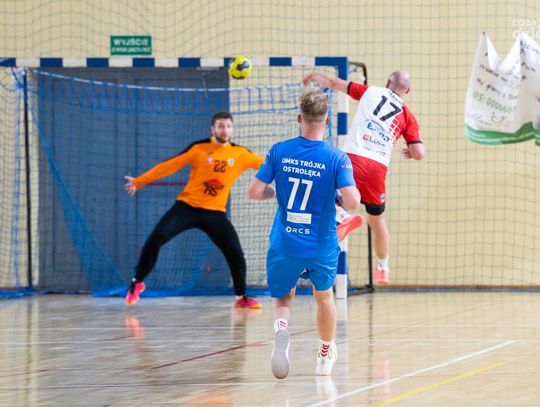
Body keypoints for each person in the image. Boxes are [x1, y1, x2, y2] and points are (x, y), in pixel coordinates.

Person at [248, 87, 361, 378]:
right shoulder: (337, 158)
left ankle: (281, 329)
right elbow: (353, 203)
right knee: (323, 296)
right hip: (321, 245)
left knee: (283, 296)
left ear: (299, 118)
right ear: (327, 121)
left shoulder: (279, 151)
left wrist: (276, 193)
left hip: (285, 243)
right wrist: (338, 195)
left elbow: (254, 191)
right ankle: (325, 353)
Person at [124, 112, 264, 309]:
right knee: (157, 237)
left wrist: (291, 173)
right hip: (187, 208)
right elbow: (169, 166)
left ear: (232, 129)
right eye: (221, 126)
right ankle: (137, 282)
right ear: (213, 129)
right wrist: (140, 181)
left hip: (215, 213)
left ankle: (241, 297)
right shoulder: (199, 148)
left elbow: (268, 165)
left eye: (228, 126)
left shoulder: (240, 154)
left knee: (235, 253)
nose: (225, 130)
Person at [303, 70, 425, 285]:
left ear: (387, 82)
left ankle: (340, 217)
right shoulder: (408, 117)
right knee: (377, 221)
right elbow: (419, 153)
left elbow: (334, 82)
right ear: (408, 90)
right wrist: (410, 152)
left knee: (321, 199)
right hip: (377, 168)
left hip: (351, 159)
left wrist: (314, 75)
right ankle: (383, 267)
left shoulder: (371, 92)